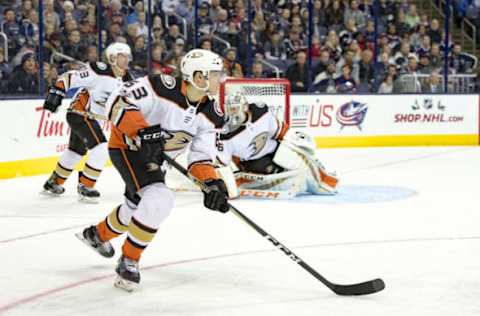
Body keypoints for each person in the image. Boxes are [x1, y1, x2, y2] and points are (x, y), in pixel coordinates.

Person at [75, 49, 229, 292]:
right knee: (160, 199)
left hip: (157, 159)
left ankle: (97, 234)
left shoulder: (213, 114)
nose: (220, 79)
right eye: (215, 74)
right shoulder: (161, 86)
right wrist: (142, 131)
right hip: (128, 146)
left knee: (137, 206)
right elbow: (118, 99)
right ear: (199, 77)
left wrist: (212, 183)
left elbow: (201, 156)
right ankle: (129, 259)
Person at [41, 42, 134, 203]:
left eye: (127, 56)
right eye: (122, 56)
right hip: (81, 114)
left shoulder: (127, 80)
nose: (126, 60)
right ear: (112, 58)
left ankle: (53, 182)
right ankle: (86, 185)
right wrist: (57, 91)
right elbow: (69, 77)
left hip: (88, 117)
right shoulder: (99, 70)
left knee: (75, 152)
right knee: (101, 147)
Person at [216, 92, 339, 199]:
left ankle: (323, 181)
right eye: (230, 109)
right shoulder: (225, 134)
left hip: (276, 150)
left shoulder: (260, 112)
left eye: (235, 109)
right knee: (287, 181)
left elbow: (280, 131)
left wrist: (297, 142)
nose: (233, 114)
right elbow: (222, 163)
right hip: (255, 163)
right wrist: (224, 182)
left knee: (301, 162)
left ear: (245, 107)